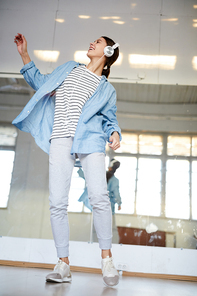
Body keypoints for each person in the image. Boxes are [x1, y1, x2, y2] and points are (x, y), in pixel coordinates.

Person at [13, 33, 121, 287]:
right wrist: (24, 54)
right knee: (57, 202)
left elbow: (109, 119)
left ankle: (106, 259)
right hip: (60, 138)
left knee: (99, 197)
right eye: (93, 40)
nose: (92, 43)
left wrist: (114, 132)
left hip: (91, 139)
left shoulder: (107, 89)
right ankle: (63, 264)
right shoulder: (68, 69)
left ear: (108, 53)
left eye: (99, 42)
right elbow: (41, 82)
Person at [78, 158, 122, 243]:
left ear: (110, 167)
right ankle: (110, 246)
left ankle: (96, 243)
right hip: (109, 208)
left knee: (96, 227)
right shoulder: (114, 180)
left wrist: (80, 169)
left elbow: (88, 177)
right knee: (110, 228)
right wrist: (119, 203)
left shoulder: (101, 176)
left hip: (98, 206)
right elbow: (116, 193)